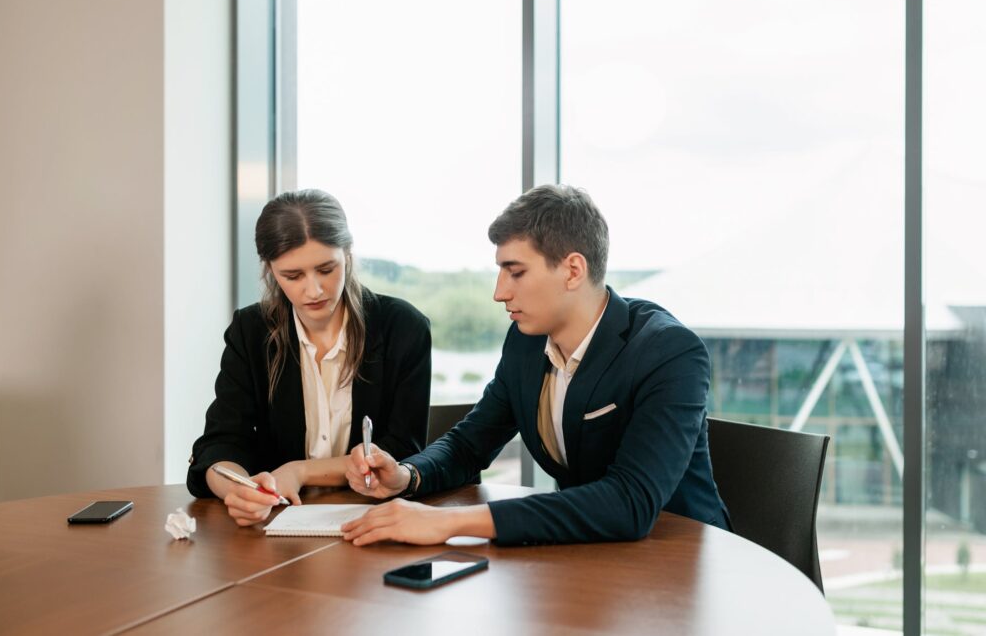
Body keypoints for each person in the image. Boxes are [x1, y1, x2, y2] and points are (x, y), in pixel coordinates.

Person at [342, 185, 730, 546]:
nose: (499, 292)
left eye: (516, 272)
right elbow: (468, 445)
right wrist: (406, 476)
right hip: (587, 553)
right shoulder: (526, 342)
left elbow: (630, 502)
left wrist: (451, 523)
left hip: (682, 557)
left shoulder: (668, 351)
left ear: (573, 270)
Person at [187, 189, 432, 526]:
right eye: (293, 276)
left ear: (347, 254)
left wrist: (300, 471)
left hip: (376, 520)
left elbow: (403, 450)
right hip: (279, 525)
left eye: (326, 269)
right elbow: (219, 444)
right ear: (270, 270)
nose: (314, 290)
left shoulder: (403, 327)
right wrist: (236, 489)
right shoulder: (251, 330)